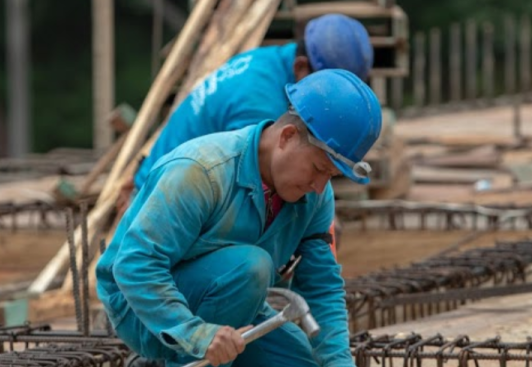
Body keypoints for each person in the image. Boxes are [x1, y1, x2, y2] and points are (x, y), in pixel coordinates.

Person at [97, 68, 382, 367]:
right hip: (138, 307)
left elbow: (321, 285)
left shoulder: (315, 195)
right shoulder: (201, 171)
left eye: (332, 176)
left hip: (229, 299)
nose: (319, 186)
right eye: (318, 168)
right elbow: (134, 266)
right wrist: (194, 333)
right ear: (288, 136)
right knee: (252, 265)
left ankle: (175, 365)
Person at [117, 13, 374, 222]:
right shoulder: (259, 101)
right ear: (300, 67)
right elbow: (251, 189)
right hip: (158, 204)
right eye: (327, 91)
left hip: (181, 188)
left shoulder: (269, 62)